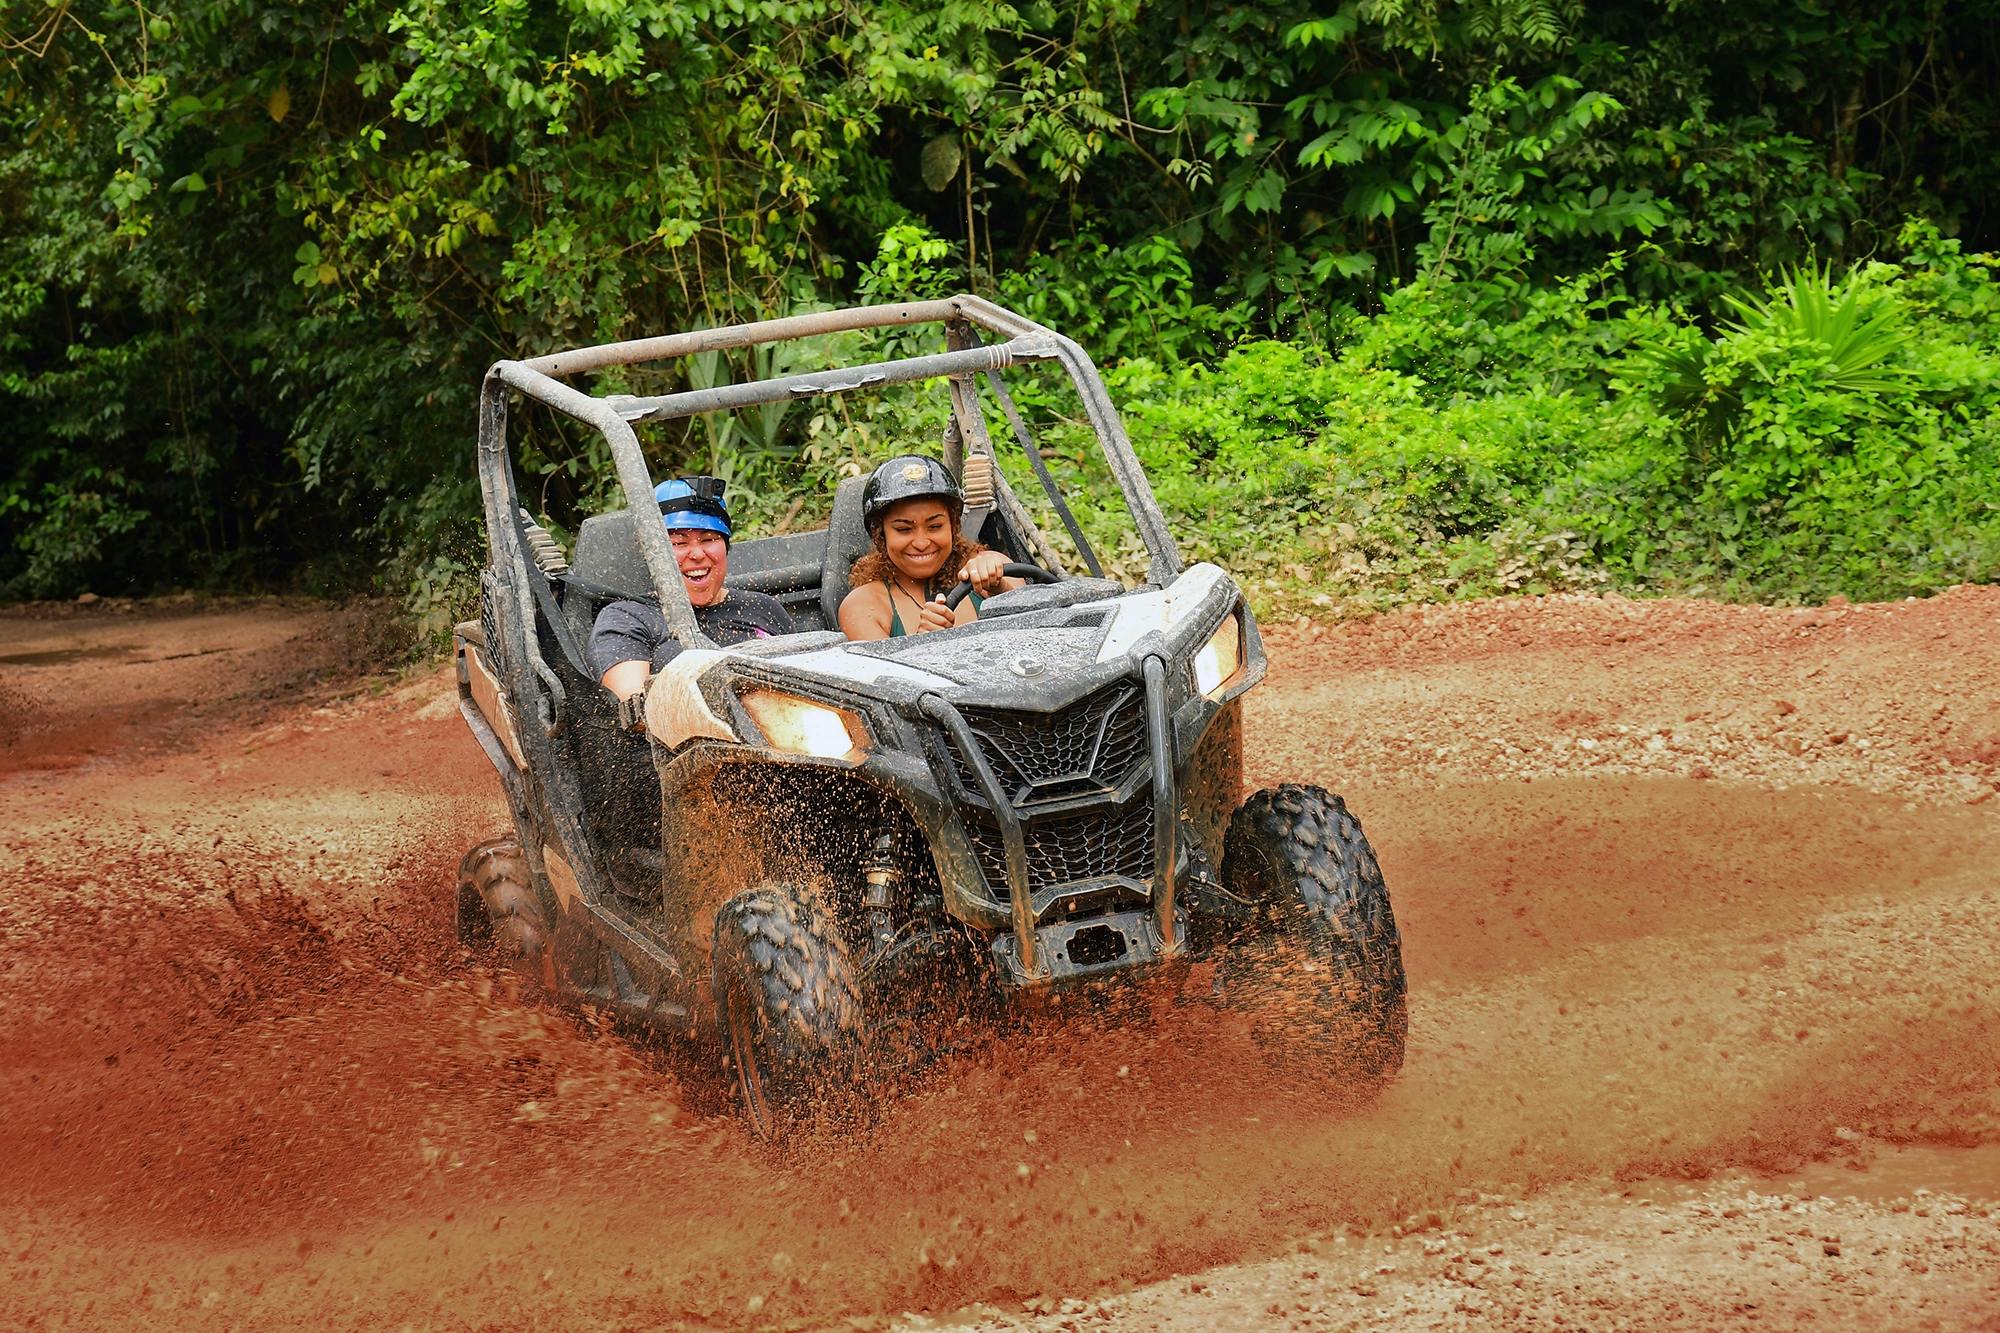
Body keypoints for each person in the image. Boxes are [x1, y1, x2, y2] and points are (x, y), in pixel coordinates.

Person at [591, 476, 794, 729]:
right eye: (679, 543)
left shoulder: (763, 608)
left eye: (709, 539)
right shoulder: (627, 618)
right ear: (652, 554)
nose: (697, 554)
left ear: (725, 547)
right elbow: (636, 710)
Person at [837, 455, 1024, 641]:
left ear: (953, 526)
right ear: (880, 534)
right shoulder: (862, 606)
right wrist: (922, 643)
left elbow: (1037, 638)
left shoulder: (995, 565)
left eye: (935, 527)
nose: (921, 543)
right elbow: (878, 671)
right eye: (903, 529)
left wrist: (1000, 590)